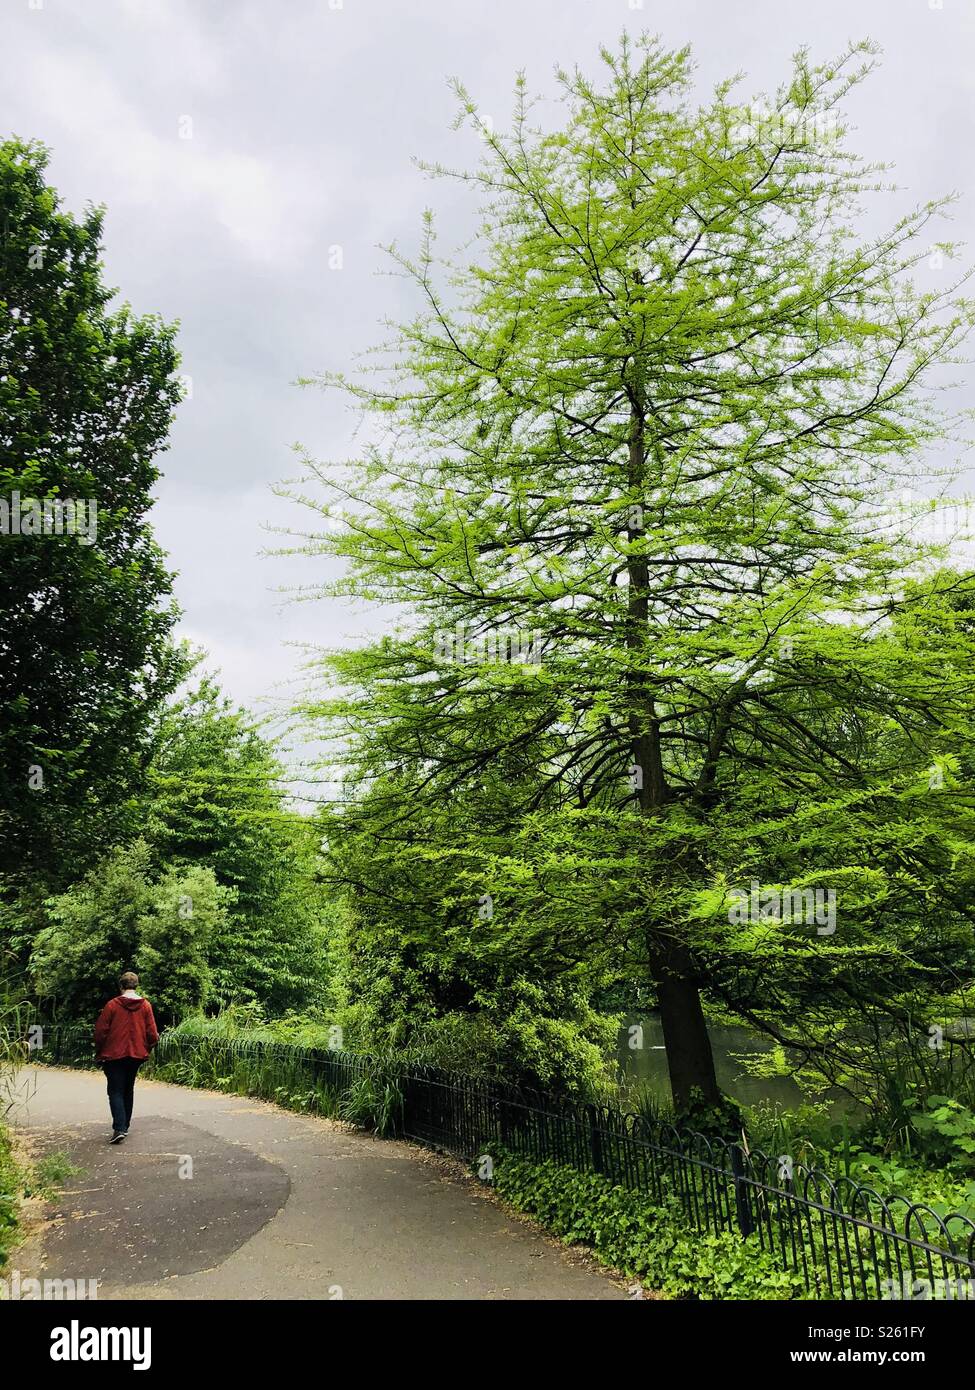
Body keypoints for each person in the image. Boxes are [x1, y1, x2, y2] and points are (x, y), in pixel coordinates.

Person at [93, 972, 159, 1144]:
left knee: (115, 1090)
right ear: (136, 985)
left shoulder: (112, 1005)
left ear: (121, 986)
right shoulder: (145, 1006)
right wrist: (147, 1047)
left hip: (114, 1054)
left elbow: (101, 1031)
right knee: (128, 1089)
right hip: (136, 1054)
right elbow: (152, 1033)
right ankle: (125, 1126)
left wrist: (99, 1050)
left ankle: (119, 1128)